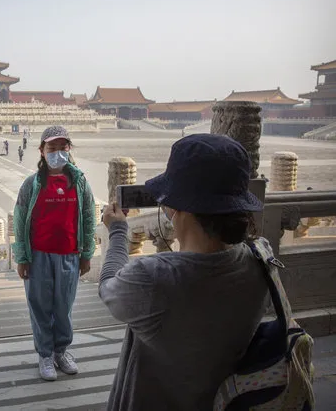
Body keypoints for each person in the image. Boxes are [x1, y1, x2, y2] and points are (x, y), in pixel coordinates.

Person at [99, 134, 268, 410]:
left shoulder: (154, 278)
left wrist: (118, 232)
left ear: (179, 209)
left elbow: (107, 288)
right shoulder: (260, 259)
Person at [12, 125, 95, 381]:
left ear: (69, 150)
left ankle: (61, 351)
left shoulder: (79, 181)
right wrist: (22, 257)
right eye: (52, 148)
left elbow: (89, 216)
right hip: (38, 256)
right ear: (42, 150)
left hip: (69, 254)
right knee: (40, 306)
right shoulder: (32, 183)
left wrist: (87, 253)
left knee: (64, 307)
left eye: (63, 147)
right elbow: (20, 217)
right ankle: (45, 354)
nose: (58, 152)